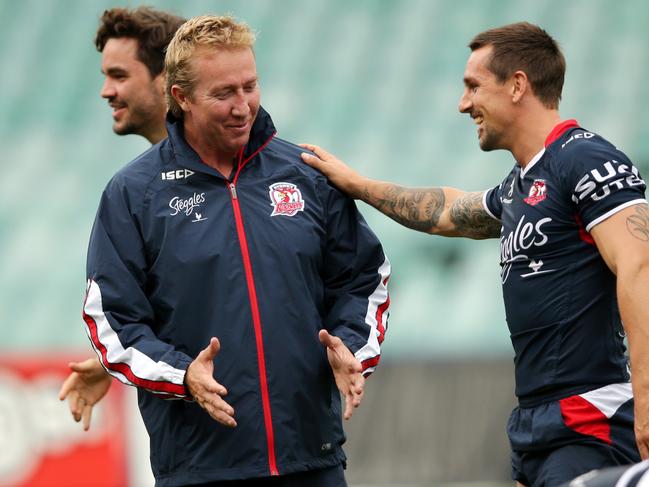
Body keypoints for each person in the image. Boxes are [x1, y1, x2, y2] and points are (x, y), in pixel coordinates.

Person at [301, 21, 649, 486]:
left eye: (473, 87)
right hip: (536, 421)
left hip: (590, 417)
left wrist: (646, 397)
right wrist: (359, 185)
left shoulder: (586, 160)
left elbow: (638, 266)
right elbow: (446, 212)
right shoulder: (518, 185)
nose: (464, 104)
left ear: (518, 85)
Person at [81, 14, 390, 487]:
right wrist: (183, 376)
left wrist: (352, 345)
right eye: (223, 93)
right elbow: (112, 321)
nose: (242, 107)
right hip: (199, 469)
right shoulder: (132, 193)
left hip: (312, 461)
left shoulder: (305, 173)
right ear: (181, 98)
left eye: (250, 86)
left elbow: (363, 279)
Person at [59, 6, 186, 431]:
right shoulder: (137, 189)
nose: (105, 91)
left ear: (165, 80)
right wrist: (111, 361)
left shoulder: (229, 175)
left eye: (119, 75)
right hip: (188, 449)